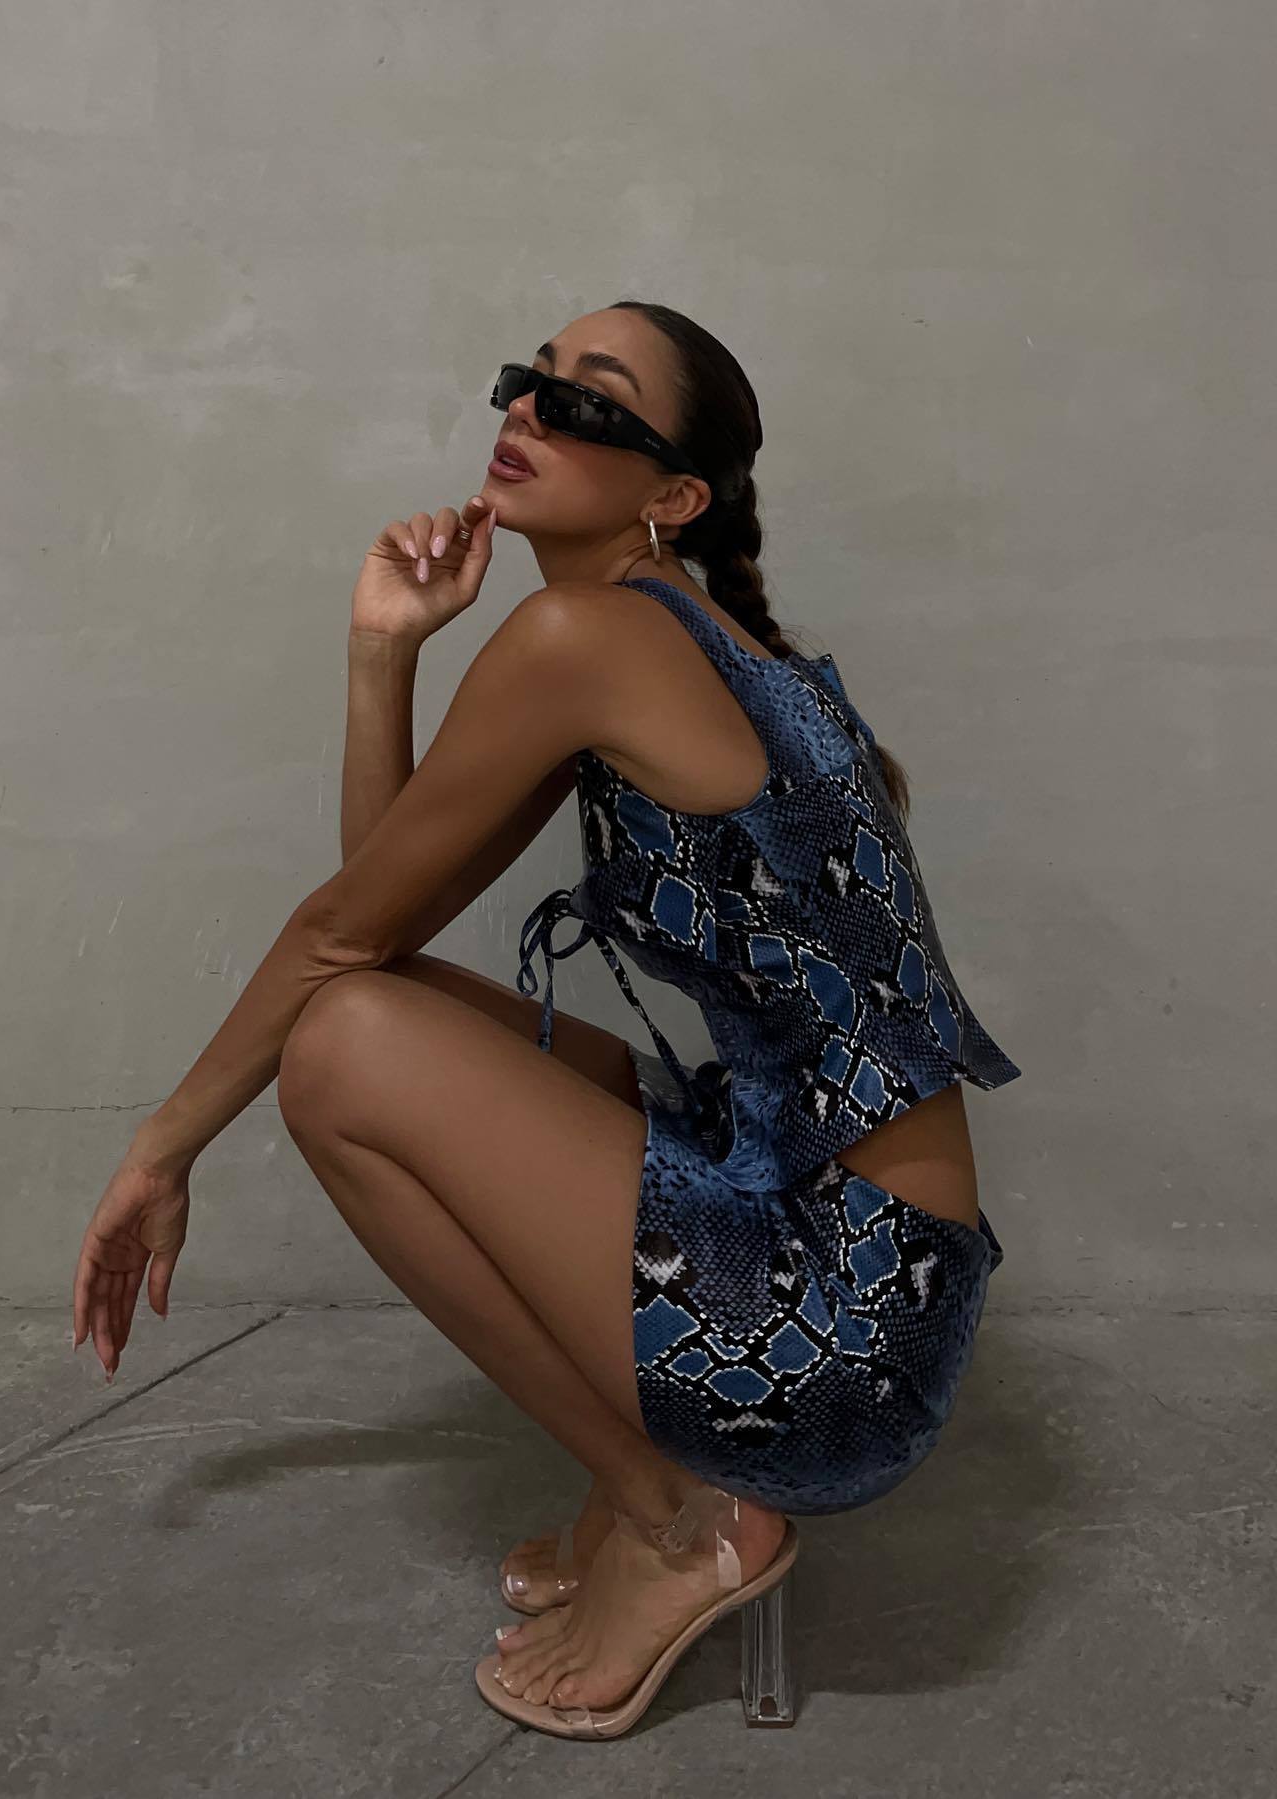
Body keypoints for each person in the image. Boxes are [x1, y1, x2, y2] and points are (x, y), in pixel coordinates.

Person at [70, 301, 1021, 1740]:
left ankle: (680, 1522)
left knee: (338, 1045)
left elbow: (341, 938)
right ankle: (657, 1492)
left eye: (584, 402)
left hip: (842, 1336)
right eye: (528, 382)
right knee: (363, 1019)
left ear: (673, 497)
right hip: (854, 1243)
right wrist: (385, 651)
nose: (526, 411)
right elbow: (381, 922)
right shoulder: (661, 631)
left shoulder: (584, 636)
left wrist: (160, 1151)